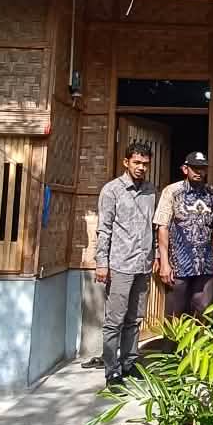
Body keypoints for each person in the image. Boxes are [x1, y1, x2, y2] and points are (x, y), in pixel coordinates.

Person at [95, 142, 157, 389]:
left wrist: (155, 256)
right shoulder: (112, 190)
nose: (141, 167)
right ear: (126, 162)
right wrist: (102, 263)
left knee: (135, 318)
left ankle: (130, 362)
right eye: (136, 162)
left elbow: (153, 227)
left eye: (145, 164)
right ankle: (112, 370)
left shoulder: (151, 191)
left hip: (143, 265)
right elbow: (104, 228)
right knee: (115, 321)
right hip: (120, 265)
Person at [154, 151, 213, 323]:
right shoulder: (172, 191)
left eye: (202, 168)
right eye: (194, 168)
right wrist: (164, 262)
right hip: (180, 264)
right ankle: (170, 342)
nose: (198, 172)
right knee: (175, 315)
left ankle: (198, 342)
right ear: (185, 169)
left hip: (206, 264)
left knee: (204, 312)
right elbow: (162, 227)